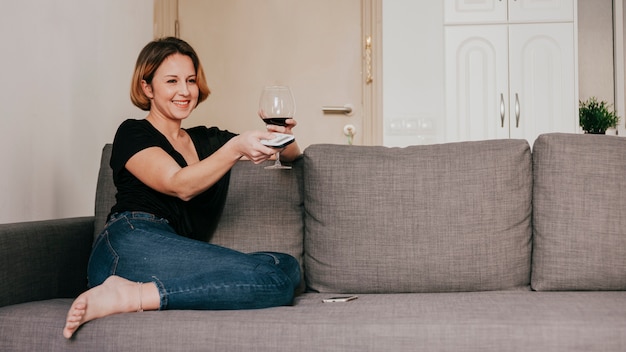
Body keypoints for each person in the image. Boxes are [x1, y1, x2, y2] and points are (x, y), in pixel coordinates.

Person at [63, 37, 302, 339]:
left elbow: (290, 155)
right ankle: (125, 295)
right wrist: (234, 149)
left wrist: (285, 137)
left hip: (169, 250)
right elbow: (179, 185)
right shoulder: (133, 133)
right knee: (275, 282)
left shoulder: (208, 139)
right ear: (147, 87)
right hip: (129, 243)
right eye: (172, 81)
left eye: (190, 80)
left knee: (286, 267)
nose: (185, 91)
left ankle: (139, 291)